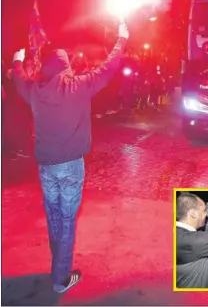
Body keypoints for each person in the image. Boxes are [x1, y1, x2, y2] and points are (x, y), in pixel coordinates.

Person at [10, 23, 129, 293]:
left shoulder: (36, 91)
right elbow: (109, 68)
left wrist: (17, 62)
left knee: (54, 216)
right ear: (66, 66)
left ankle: (58, 265)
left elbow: (19, 81)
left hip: (46, 167)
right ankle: (60, 279)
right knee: (66, 221)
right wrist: (121, 38)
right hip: (71, 167)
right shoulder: (80, 85)